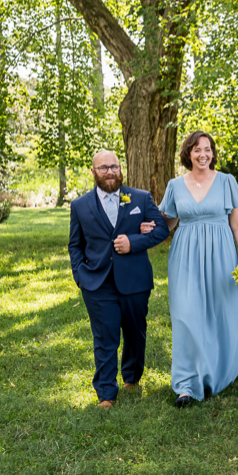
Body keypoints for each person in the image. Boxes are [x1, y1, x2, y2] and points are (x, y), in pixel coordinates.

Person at [153, 131, 238, 407]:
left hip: (222, 254)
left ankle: (219, 369)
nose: (204, 154)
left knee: (220, 310)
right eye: (197, 149)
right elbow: (169, 223)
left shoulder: (227, 181)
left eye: (208, 149)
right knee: (186, 315)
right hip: (185, 256)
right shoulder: (175, 185)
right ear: (188, 153)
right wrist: (148, 229)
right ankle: (187, 384)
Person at [68, 150, 169, 409]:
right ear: (93, 172)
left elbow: (162, 229)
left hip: (135, 280)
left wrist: (133, 242)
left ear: (120, 169)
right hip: (97, 283)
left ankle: (132, 378)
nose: (110, 171)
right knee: (105, 337)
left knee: (135, 333)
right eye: (103, 168)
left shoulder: (140, 198)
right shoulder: (80, 205)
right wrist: (79, 275)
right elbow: (75, 245)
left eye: (114, 166)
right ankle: (106, 393)